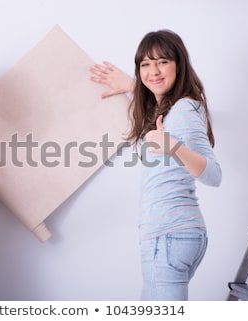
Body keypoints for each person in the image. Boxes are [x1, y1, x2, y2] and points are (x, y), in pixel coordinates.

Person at [90, 30, 222, 300]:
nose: (153, 71)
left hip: (169, 236)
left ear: (178, 64)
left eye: (162, 61)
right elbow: (152, 93)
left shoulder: (185, 109)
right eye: (145, 65)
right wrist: (131, 85)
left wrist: (172, 146)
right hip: (172, 236)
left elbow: (214, 174)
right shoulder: (170, 111)